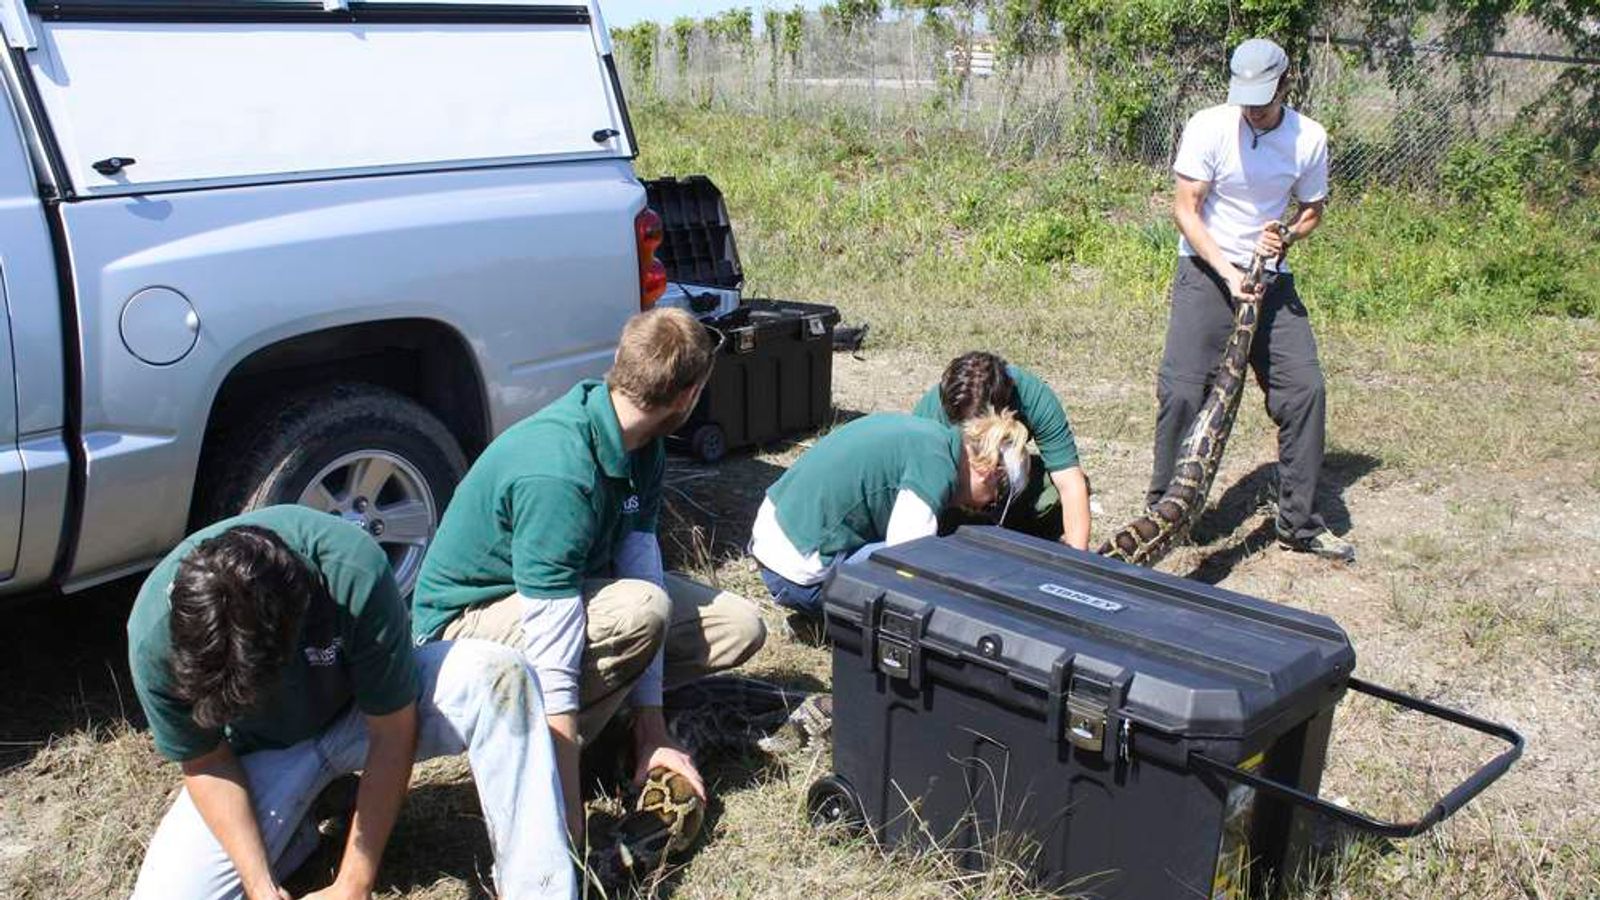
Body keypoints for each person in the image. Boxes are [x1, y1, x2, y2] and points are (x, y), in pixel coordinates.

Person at [410, 307, 767, 843]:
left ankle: (624, 730)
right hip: (461, 632)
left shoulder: (639, 443)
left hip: (561, 601)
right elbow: (554, 648)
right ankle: (547, 765)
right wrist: (563, 807)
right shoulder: (557, 471)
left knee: (737, 624)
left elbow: (640, 564)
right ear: (687, 397)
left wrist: (654, 730)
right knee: (640, 613)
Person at [128, 505, 573, 900]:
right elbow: (207, 762)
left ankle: (540, 887)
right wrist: (259, 885)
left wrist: (353, 884)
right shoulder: (155, 637)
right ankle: (306, 818)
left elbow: (393, 731)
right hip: (260, 756)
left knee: (501, 676)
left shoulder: (348, 569)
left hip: (363, 714)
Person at [1150, 37, 1355, 562]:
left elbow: (1312, 209)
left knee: (1304, 390)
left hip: (1272, 280)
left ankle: (1299, 524)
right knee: (1182, 392)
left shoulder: (1309, 138)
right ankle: (1165, 513)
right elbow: (1185, 210)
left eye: (1263, 97)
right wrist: (1228, 270)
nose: (1253, 108)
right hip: (1205, 269)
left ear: (1288, 83)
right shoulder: (1208, 126)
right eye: (1246, 97)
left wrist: (1285, 235)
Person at [751, 410, 1032, 619]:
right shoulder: (936, 467)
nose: (986, 507)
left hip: (771, 535)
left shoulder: (929, 436)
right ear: (990, 472)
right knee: (932, 561)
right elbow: (907, 564)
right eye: (995, 501)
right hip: (796, 576)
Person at [912, 352, 1091, 548]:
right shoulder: (931, 416)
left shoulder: (1032, 397)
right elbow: (915, 494)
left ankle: (1028, 543)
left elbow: (1070, 484)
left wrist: (1077, 565)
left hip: (1008, 487)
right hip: (957, 497)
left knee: (1056, 490)